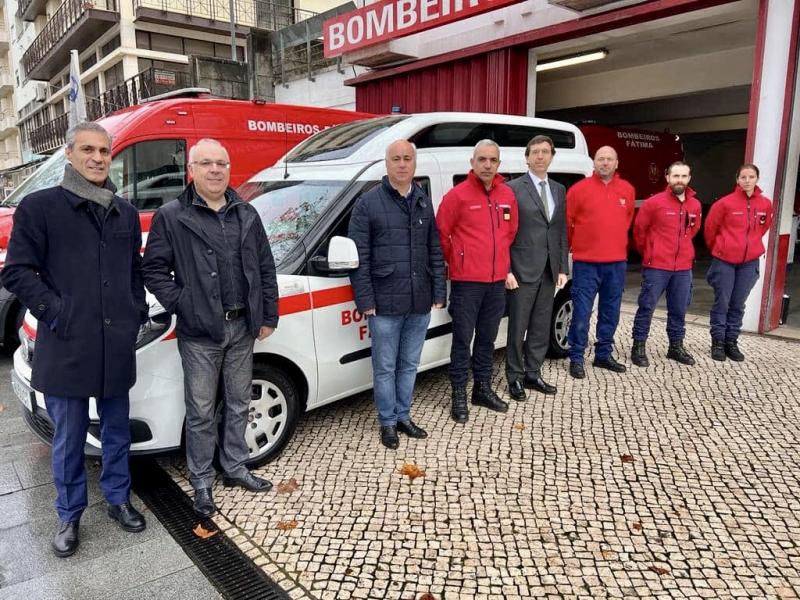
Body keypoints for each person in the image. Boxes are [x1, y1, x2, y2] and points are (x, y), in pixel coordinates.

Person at [1, 122, 148, 557]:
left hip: (115, 342)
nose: (98, 157)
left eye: (104, 150)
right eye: (88, 149)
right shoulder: (40, 207)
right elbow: (16, 272)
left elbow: (133, 270)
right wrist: (56, 311)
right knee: (69, 436)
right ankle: (69, 514)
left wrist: (135, 310)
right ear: (69, 154)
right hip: (66, 342)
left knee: (116, 429)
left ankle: (119, 499)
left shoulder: (122, 210)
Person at [142, 138, 278, 517]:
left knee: (238, 403)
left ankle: (234, 466)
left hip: (242, 327)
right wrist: (183, 303)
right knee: (201, 410)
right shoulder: (171, 215)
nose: (215, 170)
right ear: (192, 170)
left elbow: (265, 268)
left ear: (230, 169)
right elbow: (153, 269)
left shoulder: (246, 213)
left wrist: (268, 315)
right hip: (200, 332)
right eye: (206, 163)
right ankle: (201, 479)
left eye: (222, 163)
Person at [348, 140, 446, 448]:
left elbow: (434, 248)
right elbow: (357, 256)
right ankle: (387, 422)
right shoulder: (368, 203)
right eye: (396, 159)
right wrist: (365, 300)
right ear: (386, 163)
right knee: (385, 367)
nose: (402, 164)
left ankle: (403, 416)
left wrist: (438, 290)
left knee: (409, 365)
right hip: (384, 304)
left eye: (407, 159)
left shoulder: (422, 200)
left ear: (414, 164)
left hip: (419, 301)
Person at [437, 140, 518, 421]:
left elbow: (510, 233)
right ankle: (459, 393)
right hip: (466, 283)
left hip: (496, 283)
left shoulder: (507, 194)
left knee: (487, 339)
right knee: (462, 340)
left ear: (499, 164)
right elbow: (441, 235)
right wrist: (460, 258)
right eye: (481, 159)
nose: (487, 164)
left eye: (492, 160)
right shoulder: (457, 196)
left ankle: (481, 388)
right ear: (472, 162)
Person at [505, 135, 568, 399]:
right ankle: (515, 377)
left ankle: (533, 372)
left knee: (541, 325)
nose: (540, 156)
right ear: (527, 157)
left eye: (545, 152)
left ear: (552, 156)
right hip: (521, 270)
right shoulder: (512, 188)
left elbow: (560, 231)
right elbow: (505, 233)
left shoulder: (558, 189)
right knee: (518, 327)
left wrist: (562, 267)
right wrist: (507, 270)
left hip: (549, 270)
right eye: (535, 152)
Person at [566, 146, 636, 378]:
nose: (605, 163)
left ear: (617, 163)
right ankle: (576, 356)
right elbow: (569, 223)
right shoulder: (578, 190)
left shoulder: (627, 190)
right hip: (586, 263)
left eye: (609, 159)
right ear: (593, 162)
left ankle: (603, 355)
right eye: (600, 159)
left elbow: (627, 221)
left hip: (616, 263)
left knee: (611, 311)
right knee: (582, 312)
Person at [631, 161, 702, 367]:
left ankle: (676, 347)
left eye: (683, 176)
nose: (679, 180)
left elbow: (693, 230)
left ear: (689, 178)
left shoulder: (695, 205)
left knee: (679, 309)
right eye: (675, 176)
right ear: (667, 177)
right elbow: (639, 231)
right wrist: (651, 253)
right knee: (647, 307)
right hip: (657, 267)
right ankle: (638, 346)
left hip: (683, 268)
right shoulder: (654, 203)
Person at [704, 164, 773, 361]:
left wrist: (751, 246)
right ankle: (717, 342)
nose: (747, 180)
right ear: (737, 180)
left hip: (749, 263)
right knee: (722, 302)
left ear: (757, 179)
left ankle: (731, 341)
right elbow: (710, 230)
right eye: (743, 177)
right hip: (724, 261)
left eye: (751, 177)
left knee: (738, 304)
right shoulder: (724, 204)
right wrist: (721, 248)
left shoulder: (765, 204)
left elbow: (764, 227)